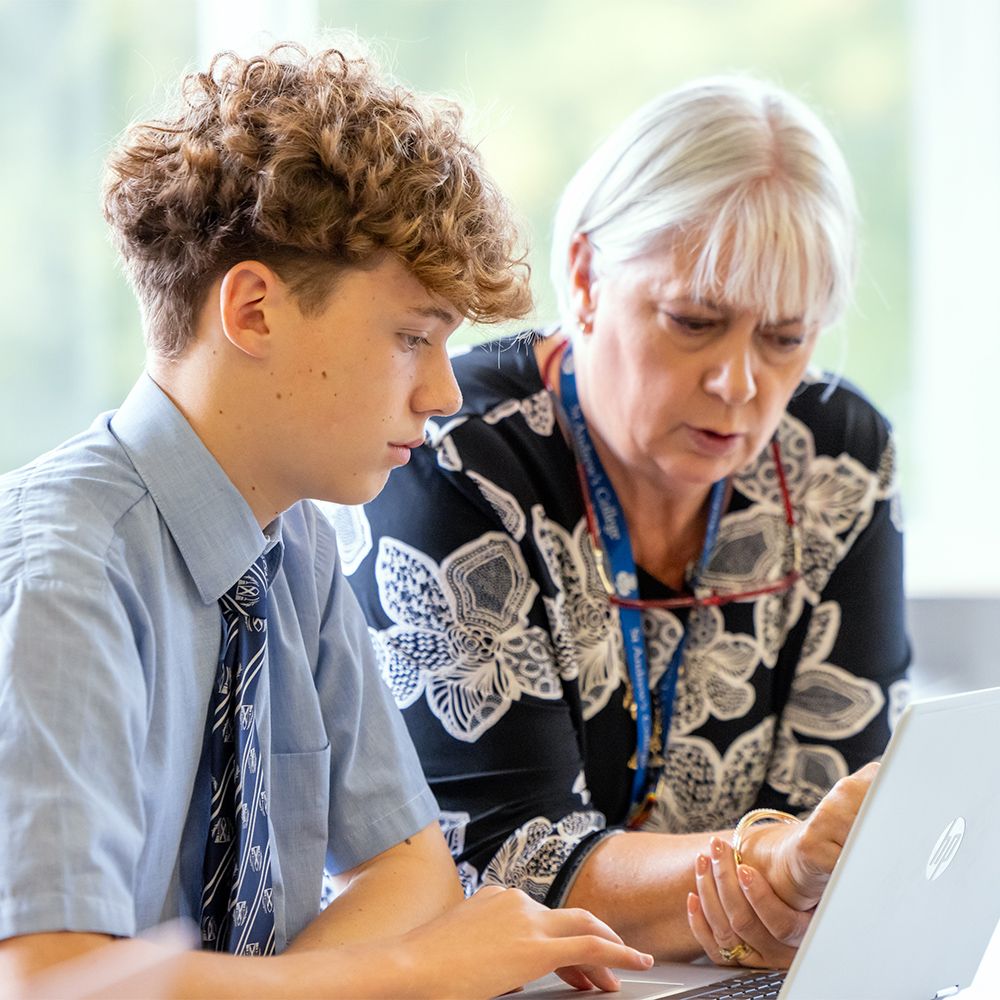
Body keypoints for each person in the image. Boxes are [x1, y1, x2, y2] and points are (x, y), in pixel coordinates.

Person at [0, 42, 657, 999]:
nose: (443, 393)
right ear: (254, 312)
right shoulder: (65, 571)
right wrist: (413, 970)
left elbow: (412, 871)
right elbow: (50, 983)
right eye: (411, 337)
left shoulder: (293, 540)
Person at [344, 75, 910, 968]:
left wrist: (805, 872)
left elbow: (842, 819)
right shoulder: (454, 457)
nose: (739, 383)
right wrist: (771, 865)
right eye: (695, 321)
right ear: (585, 276)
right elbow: (502, 859)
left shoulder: (837, 457)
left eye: (785, 338)